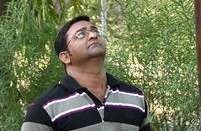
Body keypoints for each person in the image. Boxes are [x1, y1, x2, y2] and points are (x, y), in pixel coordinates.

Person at [21, 15, 151, 131]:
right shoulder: (44, 108)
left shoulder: (135, 97)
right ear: (65, 57)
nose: (93, 35)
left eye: (95, 31)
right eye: (81, 34)